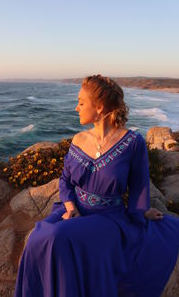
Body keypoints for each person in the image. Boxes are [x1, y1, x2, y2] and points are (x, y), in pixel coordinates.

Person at [14, 74, 179, 297]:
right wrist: (71, 207)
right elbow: (65, 181)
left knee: (56, 237)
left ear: (99, 107)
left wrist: (141, 212)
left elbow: (139, 187)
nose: (76, 108)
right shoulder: (79, 140)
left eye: (81, 102)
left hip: (109, 218)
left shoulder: (133, 143)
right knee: (37, 237)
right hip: (75, 211)